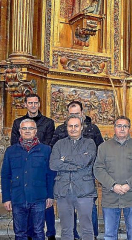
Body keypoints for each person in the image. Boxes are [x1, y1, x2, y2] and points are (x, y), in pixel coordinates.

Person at [50, 100, 103, 240]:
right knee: (66, 229)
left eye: (76, 126)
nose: (73, 129)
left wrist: (65, 158)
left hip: (84, 190)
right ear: (66, 127)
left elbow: (86, 161)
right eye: (70, 126)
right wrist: (76, 162)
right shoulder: (59, 144)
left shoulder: (89, 143)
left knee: (87, 228)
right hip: (63, 190)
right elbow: (53, 164)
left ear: (81, 127)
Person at [94, 116, 132, 239]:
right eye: (119, 126)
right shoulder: (104, 147)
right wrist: (113, 185)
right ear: (114, 128)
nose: (122, 129)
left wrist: (129, 184)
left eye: (125, 126)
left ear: (129, 128)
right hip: (111, 197)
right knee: (109, 234)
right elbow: (98, 169)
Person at [10, 94, 56, 240]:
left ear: (39, 104)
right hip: (23, 165)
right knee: (24, 213)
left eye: (36, 102)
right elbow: (14, 144)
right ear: (26, 104)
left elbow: (49, 143)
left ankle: (51, 234)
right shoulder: (18, 122)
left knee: (42, 215)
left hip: (41, 164)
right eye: (30, 103)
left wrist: (37, 153)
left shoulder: (48, 122)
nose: (33, 105)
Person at [1, 119, 55, 240]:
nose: (27, 131)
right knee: (20, 233)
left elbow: (50, 175)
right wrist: (6, 198)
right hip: (18, 197)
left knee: (38, 231)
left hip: (39, 198)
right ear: (20, 131)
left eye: (30, 128)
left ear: (35, 131)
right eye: (24, 128)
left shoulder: (46, 150)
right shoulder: (11, 151)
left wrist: (50, 196)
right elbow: (5, 176)